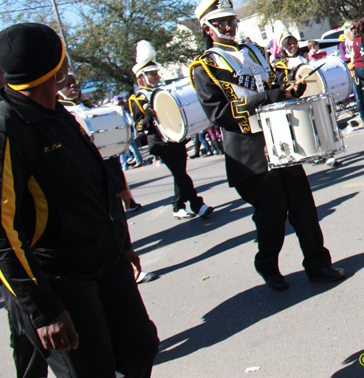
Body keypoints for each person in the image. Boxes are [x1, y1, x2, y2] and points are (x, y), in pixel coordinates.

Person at [0, 23, 158, 377]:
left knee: (141, 348)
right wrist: (43, 310)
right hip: (60, 280)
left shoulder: (58, 111)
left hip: (107, 259)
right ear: (53, 69)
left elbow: (95, 182)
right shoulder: (8, 125)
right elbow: (4, 235)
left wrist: (122, 242)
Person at [189, 0, 346, 292]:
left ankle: (318, 264)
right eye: (221, 22)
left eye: (231, 20)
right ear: (208, 29)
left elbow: (277, 81)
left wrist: (293, 85)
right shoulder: (205, 66)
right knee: (272, 215)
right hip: (249, 154)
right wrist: (270, 96)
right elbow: (220, 113)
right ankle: (268, 265)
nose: (229, 26)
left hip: (282, 140)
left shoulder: (255, 52)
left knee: (304, 207)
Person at [128, 41, 213, 221]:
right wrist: (148, 118)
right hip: (160, 143)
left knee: (179, 174)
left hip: (175, 139)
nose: (156, 76)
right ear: (142, 77)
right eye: (151, 74)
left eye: (156, 73)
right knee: (181, 174)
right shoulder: (138, 99)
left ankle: (178, 206)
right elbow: (138, 127)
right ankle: (197, 205)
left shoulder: (163, 91)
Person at [57, 75, 142, 212]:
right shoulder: (61, 110)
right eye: (68, 84)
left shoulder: (88, 105)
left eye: (75, 83)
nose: (74, 85)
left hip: (107, 153)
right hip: (88, 160)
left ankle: (127, 204)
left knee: (118, 184)